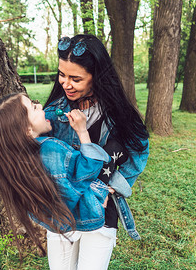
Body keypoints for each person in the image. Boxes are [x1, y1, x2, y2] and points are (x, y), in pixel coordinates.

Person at [43, 34, 150, 268]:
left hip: (100, 212)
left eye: (76, 78)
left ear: (96, 77)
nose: (66, 84)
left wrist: (112, 184)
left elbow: (140, 151)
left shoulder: (118, 115)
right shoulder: (53, 113)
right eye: (62, 74)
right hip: (62, 210)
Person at [0, 93, 112, 266]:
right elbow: (88, 168)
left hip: (58, 227)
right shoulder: (51, 149)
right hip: (87, 218)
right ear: (27, 130)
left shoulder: (14, 167)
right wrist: (81, 130)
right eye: (34, 107)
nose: (41, 106)